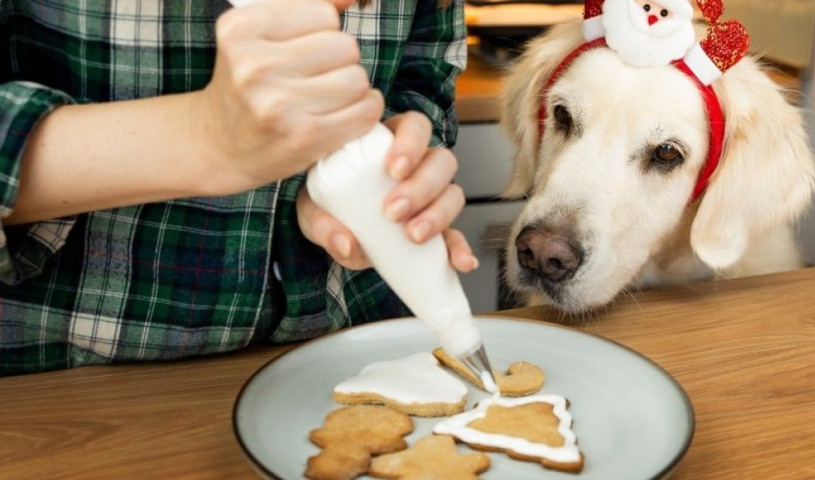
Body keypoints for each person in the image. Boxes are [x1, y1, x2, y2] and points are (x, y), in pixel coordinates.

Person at [0, 0, 477, 376]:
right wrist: (201, 137)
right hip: (71, 390)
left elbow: (425, 71)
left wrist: (370, 172)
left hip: (361, 356)